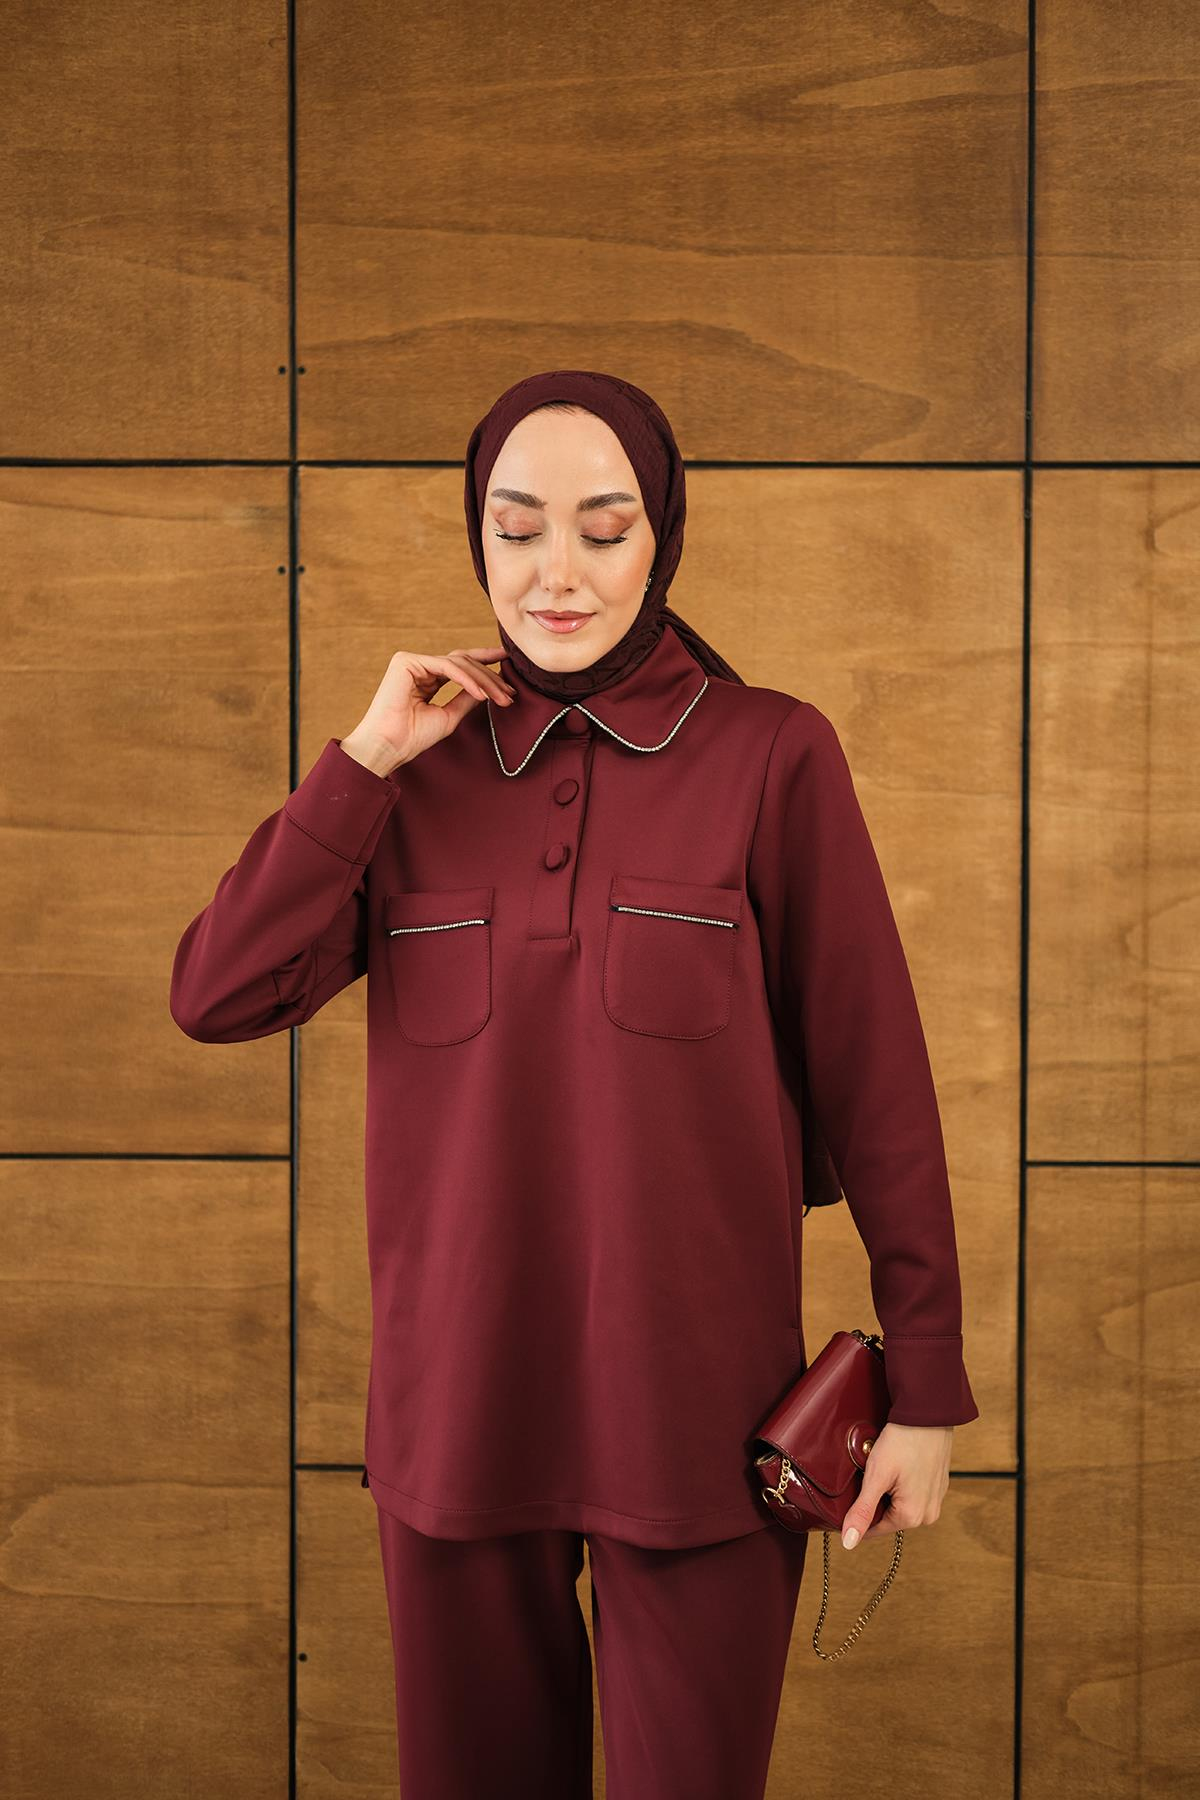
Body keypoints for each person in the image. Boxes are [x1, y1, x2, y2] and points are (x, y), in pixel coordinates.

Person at [170, 368, 979, 1798]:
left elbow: (879, 1084)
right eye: (517, 529)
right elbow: (216, 993)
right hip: (456, 1416)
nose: (557, 573)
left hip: (702, 1421)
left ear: (663, 535)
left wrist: (923, 1389)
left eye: (604, 531)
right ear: (475, 538)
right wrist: (364, 759)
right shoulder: (411, 778)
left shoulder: (771, 753)